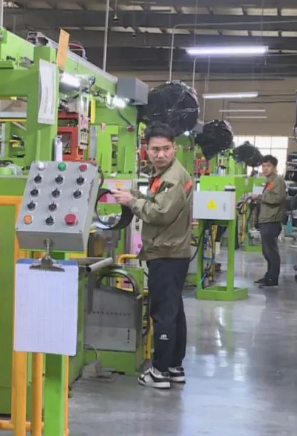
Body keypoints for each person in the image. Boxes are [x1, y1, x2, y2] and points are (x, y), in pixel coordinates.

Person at [112, 122, 193, 390]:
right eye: (155, 149)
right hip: (170, 251)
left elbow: (160, 213)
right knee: (174, 311)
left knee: (163, 314)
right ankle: (174, 367)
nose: (161, 154)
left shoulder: (173, 177)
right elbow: (156, 201)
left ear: (175, 148)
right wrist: (134, 195)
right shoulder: (163, 174)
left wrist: (131, 202)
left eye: (166, 149)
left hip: (167, 254)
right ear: (146, 150)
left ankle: (159, 372)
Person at [252, 155, 287, 287]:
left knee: (271, 251)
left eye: (268, 166)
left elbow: (277, 199)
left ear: (274, 167)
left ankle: (273, 278)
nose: (265, 169)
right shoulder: (269, 181)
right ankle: (269, 276)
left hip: (272, 220)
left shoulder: (278, 180)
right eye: (263, 166)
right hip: (266, 220)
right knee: (267, 251)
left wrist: (260, 196)